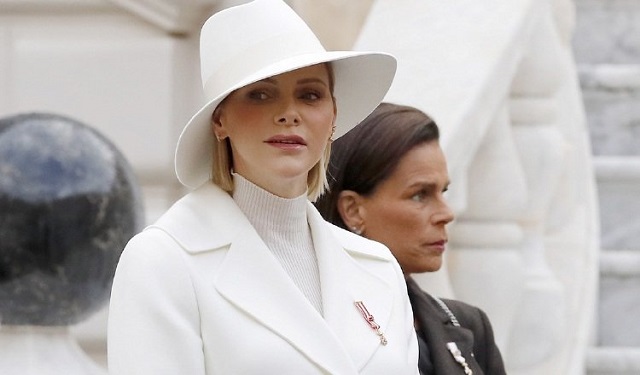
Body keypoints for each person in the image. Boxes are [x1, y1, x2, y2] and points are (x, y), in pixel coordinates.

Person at [107, 1, 419, 374]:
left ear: (333, 115)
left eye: (310, 95)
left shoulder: (378, 266)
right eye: (260, 94)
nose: (289, 113)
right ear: (219, 120)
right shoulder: (164, 259)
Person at [315, 102, 507, 375]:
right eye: (420, 195)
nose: (446, 214)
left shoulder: (468, 325)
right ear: (353, 210)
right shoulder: (310, 327)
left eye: (444, 191)